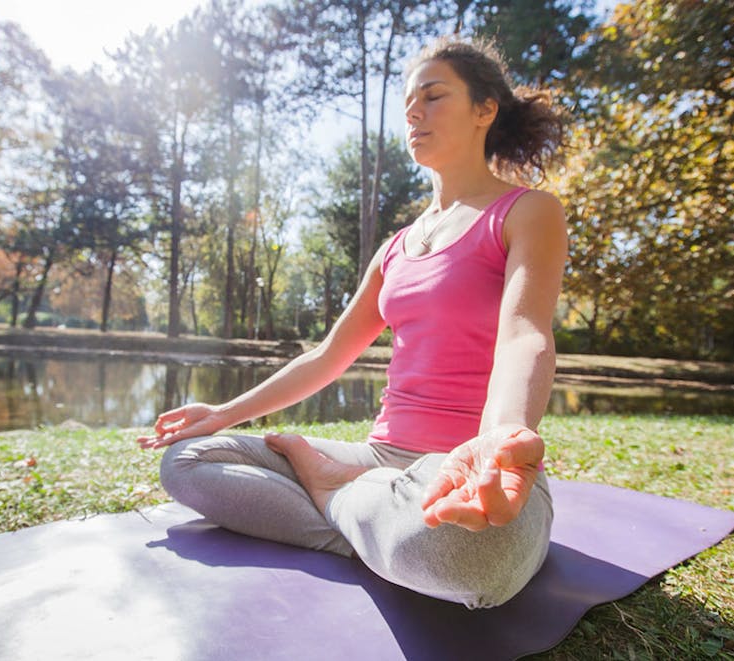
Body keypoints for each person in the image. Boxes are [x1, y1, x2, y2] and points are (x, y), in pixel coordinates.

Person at [138, 37, 567, 610]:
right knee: (189, 462)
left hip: (472, 461)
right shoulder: (396, 248)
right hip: (384, 459)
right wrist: (220, 414)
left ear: (485, 109)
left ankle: (338, 496)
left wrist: (497, 440)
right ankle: (357, 509)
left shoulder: (526, 212)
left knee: (475, 560)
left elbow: (525, 333)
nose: (414, 112)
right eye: (409, 101)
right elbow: (327, 357)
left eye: (434, 96)